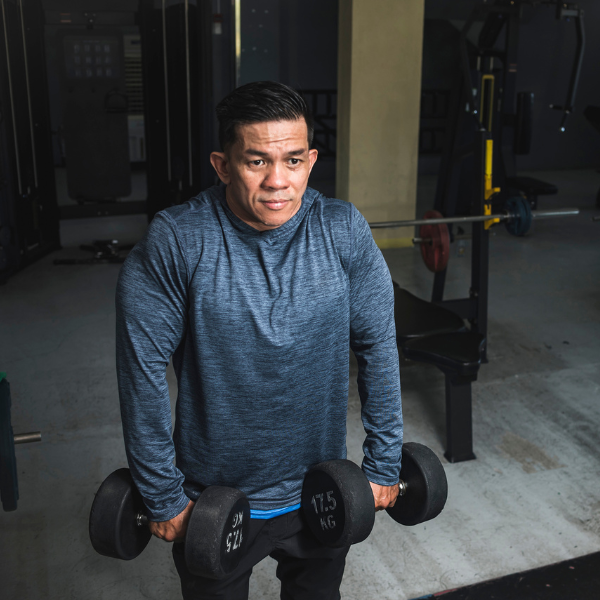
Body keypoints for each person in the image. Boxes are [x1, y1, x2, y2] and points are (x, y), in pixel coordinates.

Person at [116, 81, 403, 600]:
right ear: (222, 165)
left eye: (293, 160)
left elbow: (379, 344)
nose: (278, 181)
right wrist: (161, 494)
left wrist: (384, 462)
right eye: (256, 162)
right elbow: (141, 368)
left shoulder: (341, 230)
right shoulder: (179, 239)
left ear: (311, 160)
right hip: (213, 499)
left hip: (321, 489)